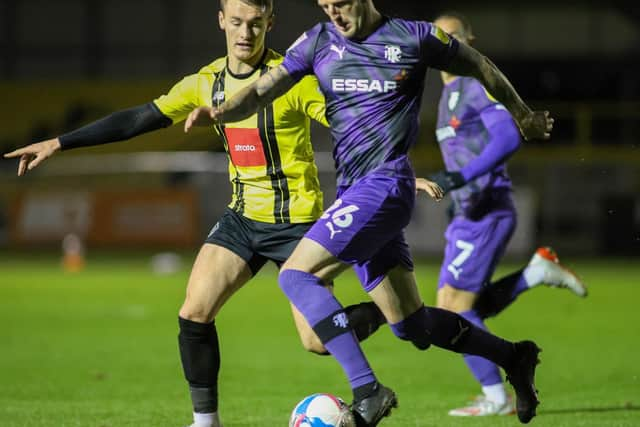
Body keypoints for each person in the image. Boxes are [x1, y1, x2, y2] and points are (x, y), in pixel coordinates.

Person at [3, 1, 390, 426]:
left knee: (316, 342)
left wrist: (391, 168)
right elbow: (139, 118)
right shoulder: (205, 83)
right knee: (194, 311)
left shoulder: (293, 80)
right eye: (238, 22)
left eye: (257, 24)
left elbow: (350, 123)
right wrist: (59, 143)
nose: (246, 33)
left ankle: (392, 313)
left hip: (296, 224)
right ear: (222, 20)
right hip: (242, 219)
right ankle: (205, 422)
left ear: (270, 24)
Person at [183, 0, 555, 425]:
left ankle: (368, 390)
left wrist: (522, 114)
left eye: (340, 4)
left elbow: (479, 64)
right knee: (410, 325)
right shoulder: (319, 41)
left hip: (386, 184)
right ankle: (514, 356)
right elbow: (266, 87)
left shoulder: (414, 38)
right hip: (352, 192)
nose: (334, 15)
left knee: (295, 275)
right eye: (325, 7)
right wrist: (223, 111)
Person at [414, 11, 587, 417]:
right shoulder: (447, 93)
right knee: (466, 306)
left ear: (470, 41)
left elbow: (510, 135)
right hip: (469, 213)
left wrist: (460, 176)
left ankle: (496, 394)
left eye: (454, 37)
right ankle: (534, 273)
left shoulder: (474, 85)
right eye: (440, 37)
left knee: (452, 308)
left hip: (486, 210)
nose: (447, 44)